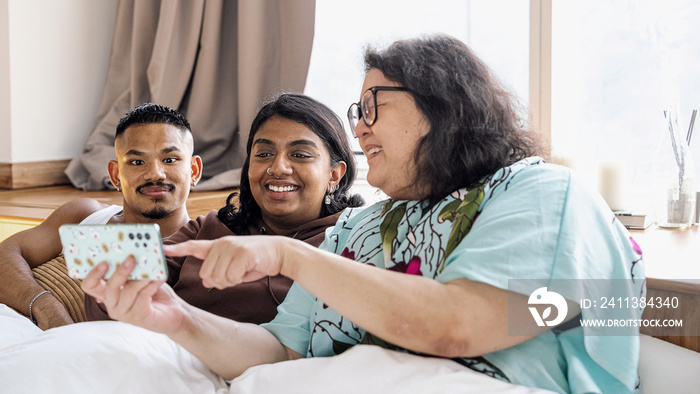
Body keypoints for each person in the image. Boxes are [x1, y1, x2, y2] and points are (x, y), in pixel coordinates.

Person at [83, 35, 645, 393]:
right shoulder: (361, 228)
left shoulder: (537, 191)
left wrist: (285, 254)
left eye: (372, 105)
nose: (359, 127)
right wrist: (174, 319)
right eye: (358, 110)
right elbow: (277, 352)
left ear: (442, 106)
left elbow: (454, 325)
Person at [84, 93, 365, 324]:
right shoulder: (207, 229)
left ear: (334, 174)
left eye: (300, 155)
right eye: (264, 154)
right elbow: (111, 299)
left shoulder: (356, 240)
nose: (278, 167)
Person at [0, 103, 202, 330]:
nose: (155, 173)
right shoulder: (85, 214)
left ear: (194, 171)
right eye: (137, 162)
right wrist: (46, 307)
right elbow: (5, 255)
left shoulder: (198, 249)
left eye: (170, 159)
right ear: (115, 175)